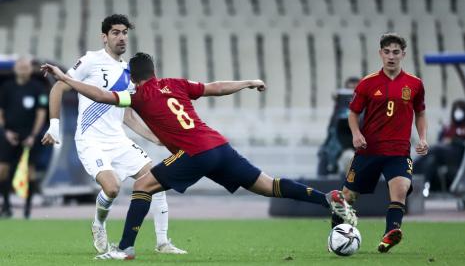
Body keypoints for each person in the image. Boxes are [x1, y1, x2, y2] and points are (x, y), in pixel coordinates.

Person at [41, 52, 357, 260]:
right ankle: (328, 199)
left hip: (193, 153)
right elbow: (215, 87)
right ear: (155, 72)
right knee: (267, 185)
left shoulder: (137, 94)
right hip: (219, 146)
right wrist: (247, 82)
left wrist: (66, 78)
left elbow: (99, 95)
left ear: (134, 77)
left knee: (142, 187)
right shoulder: (176, 84)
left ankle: (124, 248)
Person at [40, 14, 185, 254]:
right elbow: (59, 86)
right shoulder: (90, 60)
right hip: (90, 141)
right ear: (104, 37)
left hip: (118, 141)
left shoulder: (128, 71)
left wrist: (155, 138)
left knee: (157, 180)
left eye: (124, 32)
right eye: (116, 32)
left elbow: (127, 115)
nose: (121, 37)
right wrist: (54, 126)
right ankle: (98, 224)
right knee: (112, 187)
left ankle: (162, 242)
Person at [330, 33, 429, 253]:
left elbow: (420, 113)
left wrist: (422, 138)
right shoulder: (367, 83)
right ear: (380, 53)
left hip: (399, 152)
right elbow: (353, 113)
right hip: (369, 151)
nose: (391, 56)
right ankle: (336, 234)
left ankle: (389, 234)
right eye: (387, 52)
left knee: (400, 189)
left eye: (395, 52)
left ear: (403, 54)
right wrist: (356, 134)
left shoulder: (415, 84)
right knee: (347, 197)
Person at [0, 56, 48, 219]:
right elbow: (1, 112)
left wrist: (33, 135)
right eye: (20, 66)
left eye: (26, 66)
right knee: (3, 170)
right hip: (9, 134)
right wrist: (6, 131)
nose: (22, 69)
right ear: (15, 69)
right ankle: (6, 206)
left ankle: (27, 209)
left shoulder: (37, 88)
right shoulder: (6, 87)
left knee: (30, 172)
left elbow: (41, 114)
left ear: (30, 69)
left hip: (29, 136)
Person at [414, 99, 465, 196]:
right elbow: (440, 139)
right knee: (431, 160)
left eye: (460, 110)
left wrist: (452, 140)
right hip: (442, 154)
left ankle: (412, 166)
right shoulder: (449, 127)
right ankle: (423, 188)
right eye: (456, 110)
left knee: (435, 149)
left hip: (458, 154)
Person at [317, 77, 359, 177]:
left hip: (358, 135)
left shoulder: (365, 103)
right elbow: (332, 129)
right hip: (339, 137)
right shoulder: (339, 106)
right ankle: (323, 182)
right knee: (325, 153)